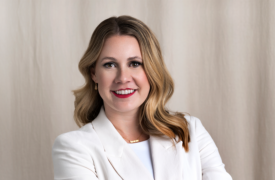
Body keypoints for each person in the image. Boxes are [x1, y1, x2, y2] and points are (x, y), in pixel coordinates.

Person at [52, 15, 232, 180]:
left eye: (135, 63)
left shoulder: (190, 131)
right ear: (94, 74)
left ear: (152, 70)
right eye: (110, 64)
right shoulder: (74, 147)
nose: (123, 77)